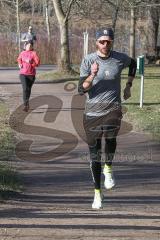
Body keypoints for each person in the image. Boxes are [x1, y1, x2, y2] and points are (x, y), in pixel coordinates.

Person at [78, 27, 137, 209]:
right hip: (92, 113)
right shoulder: (88, 60)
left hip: (113, 108)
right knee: (94, 154)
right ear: (96, 42)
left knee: (110, 139)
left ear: (112, 42)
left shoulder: (120, 58)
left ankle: (109, 168)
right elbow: (82, 89)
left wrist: (128, 86)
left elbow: (133, 63)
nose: (105, 44)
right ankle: (97, 193)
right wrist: (92, 74)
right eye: (102, 41)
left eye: (108, 41)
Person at [17, 40, 40, 112]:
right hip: (23, 74)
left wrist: (31, 62)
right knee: (25, 89)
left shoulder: (34, 53)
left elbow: (38, 64)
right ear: (25, 46)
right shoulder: (22, 53)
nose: (29, 47)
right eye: (27, 45)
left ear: (32, 46)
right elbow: (18, 59)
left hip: (31, 75)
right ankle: (25, 105)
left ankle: (27, 103)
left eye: (30, 45)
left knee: (28, 89)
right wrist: (19, 64)